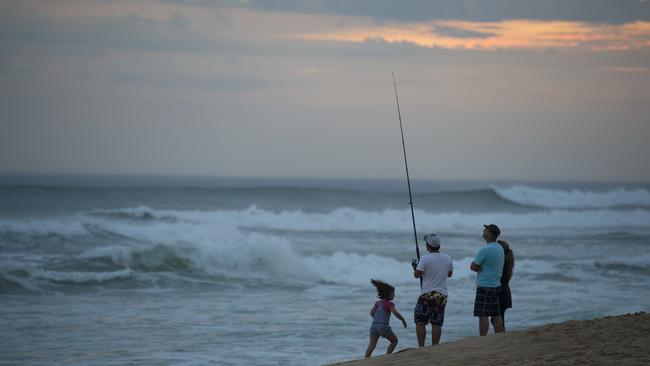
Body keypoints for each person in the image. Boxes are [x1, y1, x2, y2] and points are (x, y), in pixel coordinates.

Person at [412, 233, 453, 346]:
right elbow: (449, 274)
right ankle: (435, 347)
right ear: (438, 246)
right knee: (436, 323)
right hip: (441, 295)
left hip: (427, 294)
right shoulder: (447, 258)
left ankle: (421, 347)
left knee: (420, 322)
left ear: (428, 246)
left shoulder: (425, 258)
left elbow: (416, 275)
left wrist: (416, 266)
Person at [470, 224, 505, 336]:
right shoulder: (500, 248)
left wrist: (480, 267)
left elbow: (473, 267)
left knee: (483, 314)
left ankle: (483, 338)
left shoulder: (485, 249)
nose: (484, 231)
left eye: (486, 230)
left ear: (490, 233)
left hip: (485, 285)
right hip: (496, 284)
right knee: (496, 313)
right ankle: (500, 335)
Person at [365, 279, 408, 358]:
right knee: (394, 341)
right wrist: (403, 320)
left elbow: (371, 313)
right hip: (383, 327)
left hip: (373, 326)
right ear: (388, 294)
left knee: (371, 345)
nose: (394, 295)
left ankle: (365, 359)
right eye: (393, 293)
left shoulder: (378, 303)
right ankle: (387, 357)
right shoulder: (389, 304)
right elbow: (395, 313)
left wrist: (377, 320)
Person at [495, 239, 515, 330]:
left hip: (500, 293)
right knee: (499, 317)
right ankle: (500, 335)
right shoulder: (507, 263)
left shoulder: (502, 264)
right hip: (505, 292)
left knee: (498, 318)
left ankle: (500, 336)